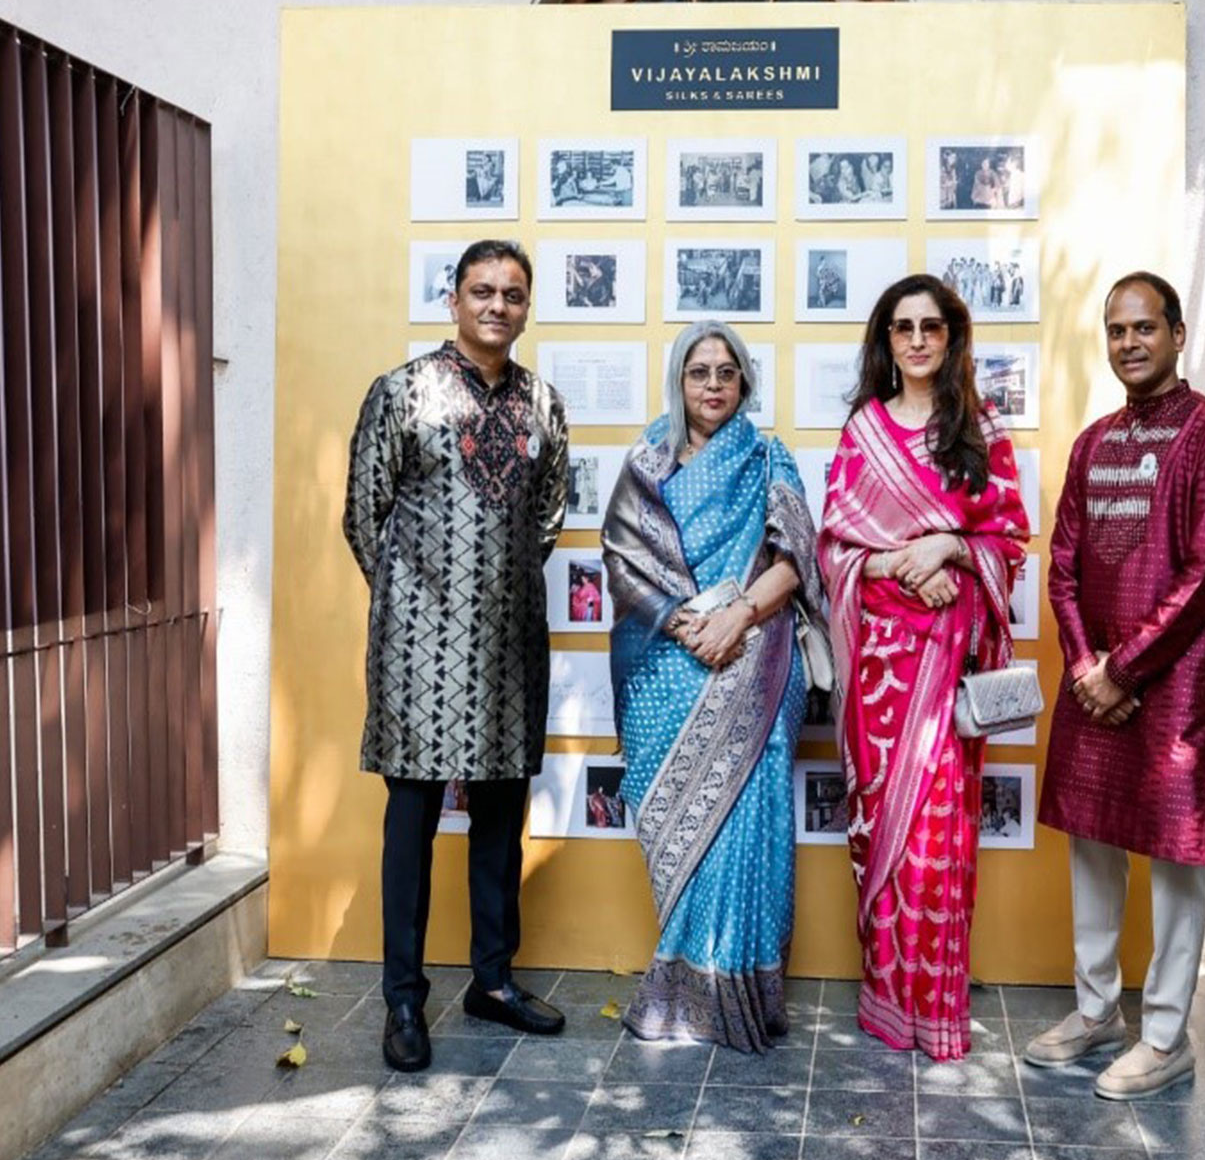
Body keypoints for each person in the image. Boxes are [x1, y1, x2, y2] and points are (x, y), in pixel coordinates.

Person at [343, 238, 570, 1074]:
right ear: (454, 299)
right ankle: (403, 995)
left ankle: (493, 980)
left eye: (513, 294)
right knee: (410, 822)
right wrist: (416, 601)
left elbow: (546, 517)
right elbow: (363, 515)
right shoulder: (401, 393)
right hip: (418, 649)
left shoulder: (543, 402)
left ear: (525, 305)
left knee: (501, 821)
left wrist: (492, 590)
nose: (497, 306)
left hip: (510, 645)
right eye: (483, 290)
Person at [1029, 271, 1205, 1099]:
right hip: (1100, 679)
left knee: (1172, 852)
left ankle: (1165, 1034)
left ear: (1178, 334)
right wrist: (1091, 666)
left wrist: (1121, 669)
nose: (1129, 344)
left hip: (1176, 681)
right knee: (1090, 840)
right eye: (1116, 330)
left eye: (1144, 328)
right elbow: (1061, 566)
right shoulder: (1094, 443)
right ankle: (1098, 1013)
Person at [818, 274, 1029, 1061]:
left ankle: (936, 1010)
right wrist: (898, 568)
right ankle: (885, 1004)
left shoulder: (979, 430)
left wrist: (949, 549)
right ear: (885, 341)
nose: (915, 341)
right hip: (879, 674)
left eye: (929, 328)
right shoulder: (863, 432)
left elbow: (1009, 540)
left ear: (951, 338)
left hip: (946, 670)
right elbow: (835, 548)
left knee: (939, 841)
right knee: (885, 840)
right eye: (901, 328)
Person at [602, 319, 824, 1052]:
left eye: (727, 372)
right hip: (666, 666)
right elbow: (623, 559)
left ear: (744, 381)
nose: (713, 386)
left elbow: (796, 561)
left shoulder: (767, 458)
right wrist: (684, 624)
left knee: (745, 828)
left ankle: (736, 998)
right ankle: (684, 988)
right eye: (699, 372)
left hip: (754, 667)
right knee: (679, 831)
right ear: (679, 378)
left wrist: (736, 617)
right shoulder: (648, 460)